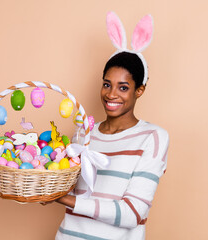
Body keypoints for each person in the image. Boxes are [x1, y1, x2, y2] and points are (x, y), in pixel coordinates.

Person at [53, 51, 169, 240]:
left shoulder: (153, 137)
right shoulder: (83, 134)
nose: (111, 94)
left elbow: (133, 214)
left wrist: (65, 200)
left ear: (139, 90)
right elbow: (66, 186)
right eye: (107, 84)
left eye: (123, 88)